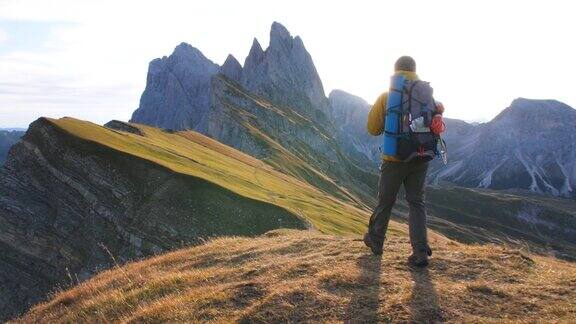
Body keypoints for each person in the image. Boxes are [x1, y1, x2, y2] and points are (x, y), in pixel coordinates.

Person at [363, 56, 444, 267]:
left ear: (395, 71)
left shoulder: (388, 96)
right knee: (416, 202)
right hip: (421, 156)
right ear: (414, 72)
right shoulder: (426, 97)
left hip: (394, 158)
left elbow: (372, 129)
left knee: (386, 201)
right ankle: (420, 252)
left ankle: (376, 242)